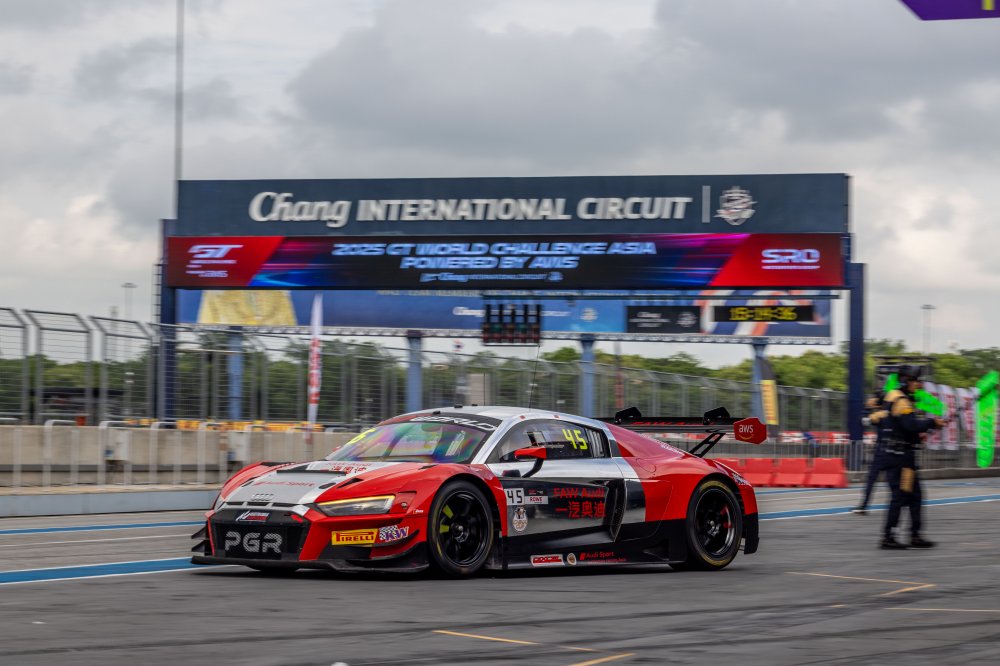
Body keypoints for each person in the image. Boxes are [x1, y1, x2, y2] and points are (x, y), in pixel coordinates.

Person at [880, 365, 947, 550]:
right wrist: (932, 422)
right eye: (915, 380)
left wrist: (919, 435)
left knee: (914, 495)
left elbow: (903, 428)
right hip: (900, 459)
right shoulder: (901, 400)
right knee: (900, 496)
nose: (918, 384)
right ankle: (888, 537)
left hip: (902, 456)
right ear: (905, 380)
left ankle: (915, 535)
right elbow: (909, 425)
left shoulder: (898, 397)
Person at [852, 391, 892, 515]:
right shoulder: (894, 413)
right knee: (893, 481)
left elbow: (863, 422)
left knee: (871, 479)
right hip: (895, 451)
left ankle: (864, 506)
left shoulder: (879, 415)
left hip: (881, 451)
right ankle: (898, 504)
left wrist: (866, 408)